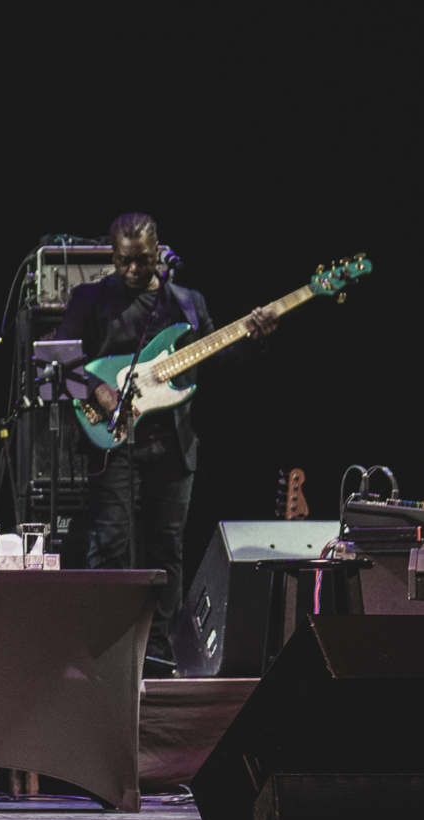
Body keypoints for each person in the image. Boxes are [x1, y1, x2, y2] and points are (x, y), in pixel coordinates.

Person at [56, 214, 276, 675]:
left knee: (167, 552)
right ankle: (105, 655)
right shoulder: (91, 298)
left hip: (172, 448)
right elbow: (60, 356)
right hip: (112, 441)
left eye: (141, 261)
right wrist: (97, 390)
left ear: (159, 254)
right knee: (110, 546)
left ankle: (160, 656)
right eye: (122, 262)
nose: (132, 271)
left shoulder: (187, 303)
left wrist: (253, 340)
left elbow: (224, 359)